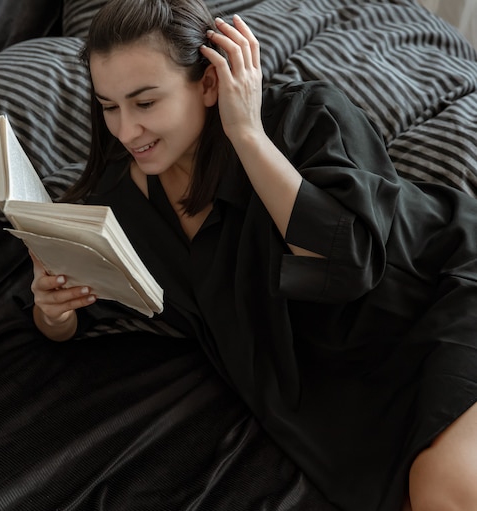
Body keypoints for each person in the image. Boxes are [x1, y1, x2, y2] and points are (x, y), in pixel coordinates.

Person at [30, 0, 477, 509]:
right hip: (341, 384)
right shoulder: (118, 206)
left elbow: (348, 266)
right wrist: (53, 311)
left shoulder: (303, 114)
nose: (127, 131)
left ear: (209, 82)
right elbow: (79, 317)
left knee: (446, 492)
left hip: (442, 288)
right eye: (109, 107)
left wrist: (246, 133)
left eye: (146, 103)